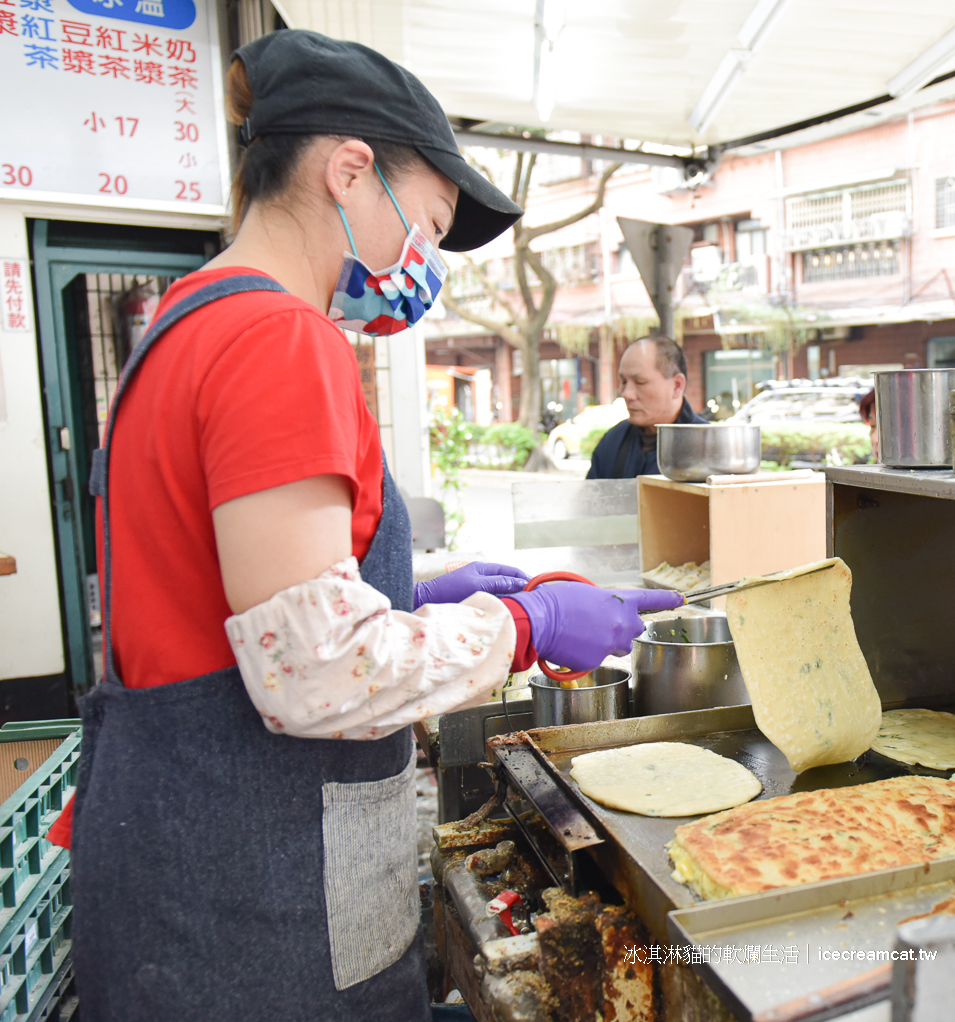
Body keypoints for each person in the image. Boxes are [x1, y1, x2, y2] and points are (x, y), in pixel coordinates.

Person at [54, 30, 681, 1022]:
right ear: (349, 170)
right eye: (423, 224)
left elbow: (232, 593)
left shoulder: (187, 320)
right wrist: (527, 626)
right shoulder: (274, 338)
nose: (416, 260)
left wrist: (420, 592)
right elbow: (315, 671)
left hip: (189, 884)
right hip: (254, 913)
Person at [587, 335, 707, 479]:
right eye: (624, 381)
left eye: (640, 382)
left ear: (677, 385)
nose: (626, 394)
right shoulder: (612, 442)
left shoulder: (707, 449)